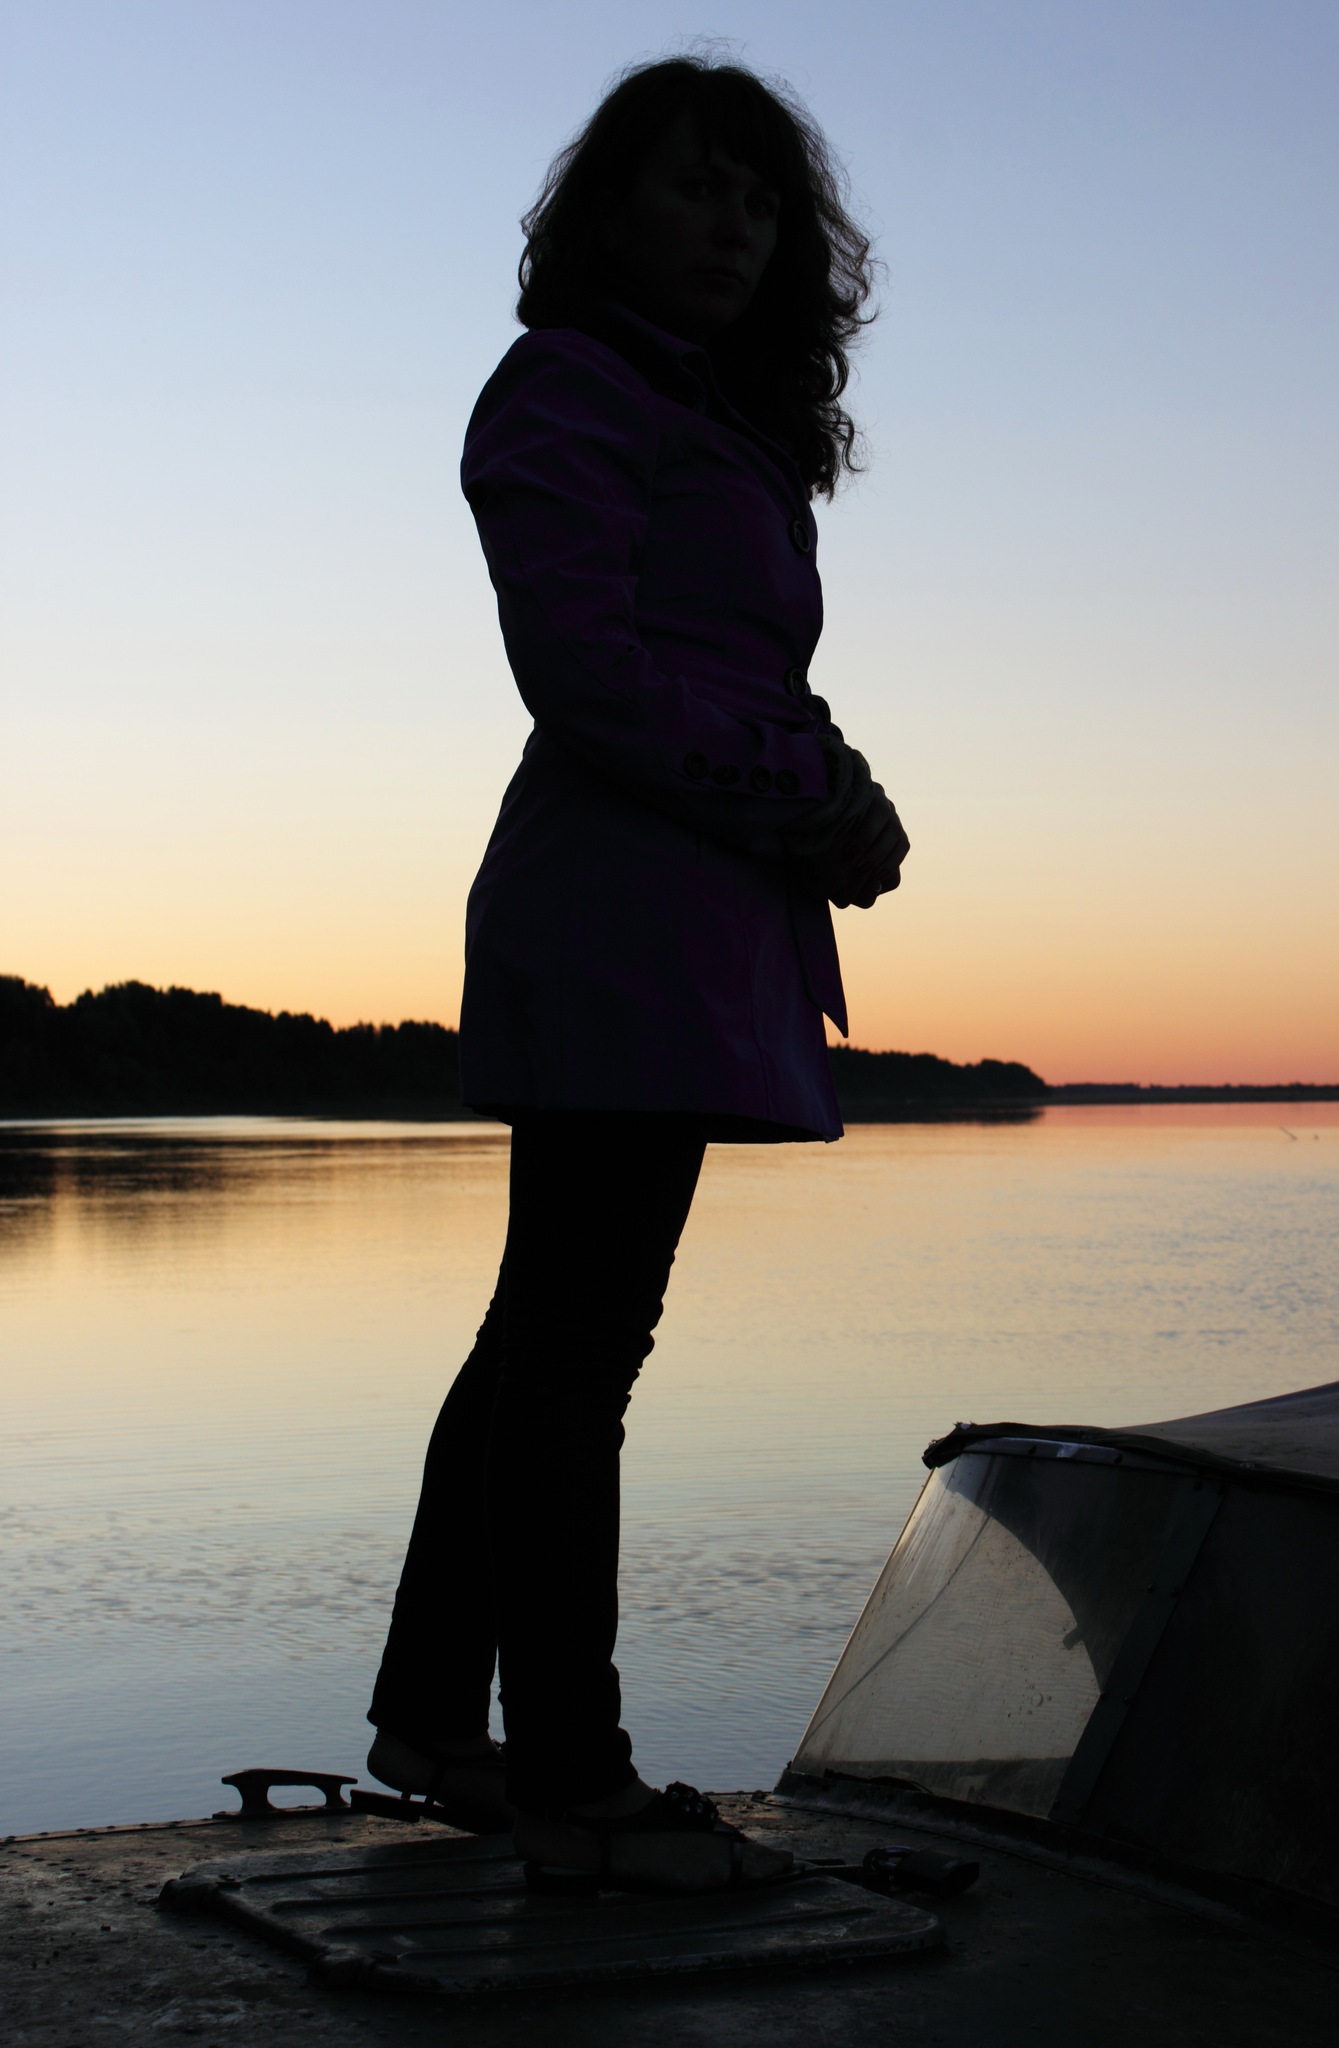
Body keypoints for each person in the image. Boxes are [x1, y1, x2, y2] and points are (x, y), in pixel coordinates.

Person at [366, 54, 908, 1895]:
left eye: (758, 203)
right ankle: (575, 1788)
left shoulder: (710, 420)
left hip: (681, 922)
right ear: (607, 211)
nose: (733, 228)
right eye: (695, 189)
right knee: (577, 1351)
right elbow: (584, 670)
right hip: (615, 921)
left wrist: (834, 785)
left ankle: (436, 1722)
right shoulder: (573, 386)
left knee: (544, 1333)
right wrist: (796, 793)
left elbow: (736, 670)